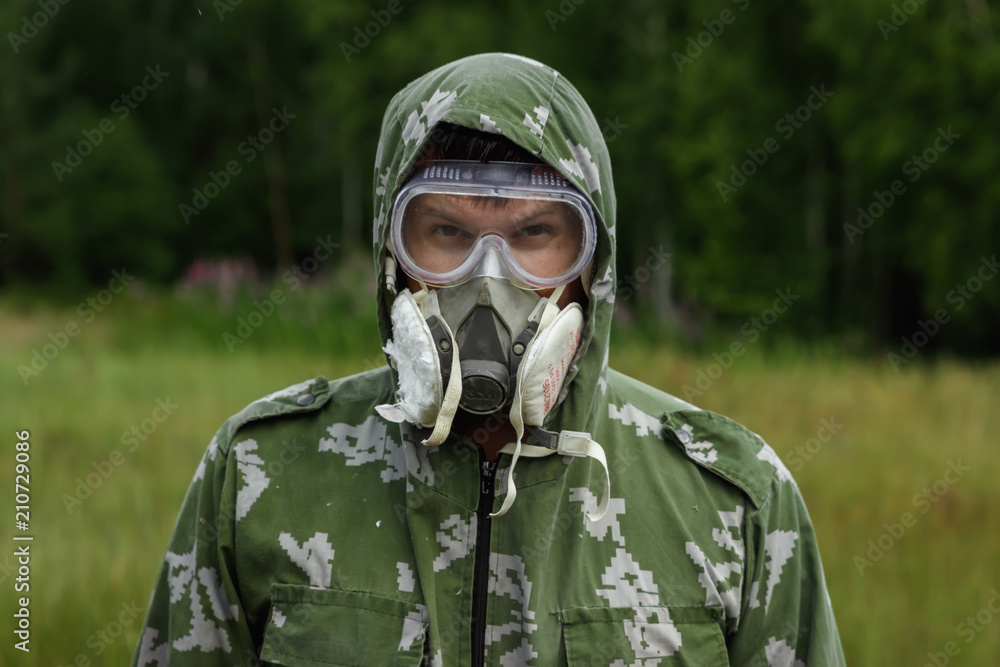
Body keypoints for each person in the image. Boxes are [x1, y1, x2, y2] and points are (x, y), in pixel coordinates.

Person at [134, 52, 845, 666]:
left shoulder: (731, 500)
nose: (488, 278)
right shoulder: (260, 475)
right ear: (393, 255)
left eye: (535, 233)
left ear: (590, 267)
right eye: (445, 231)